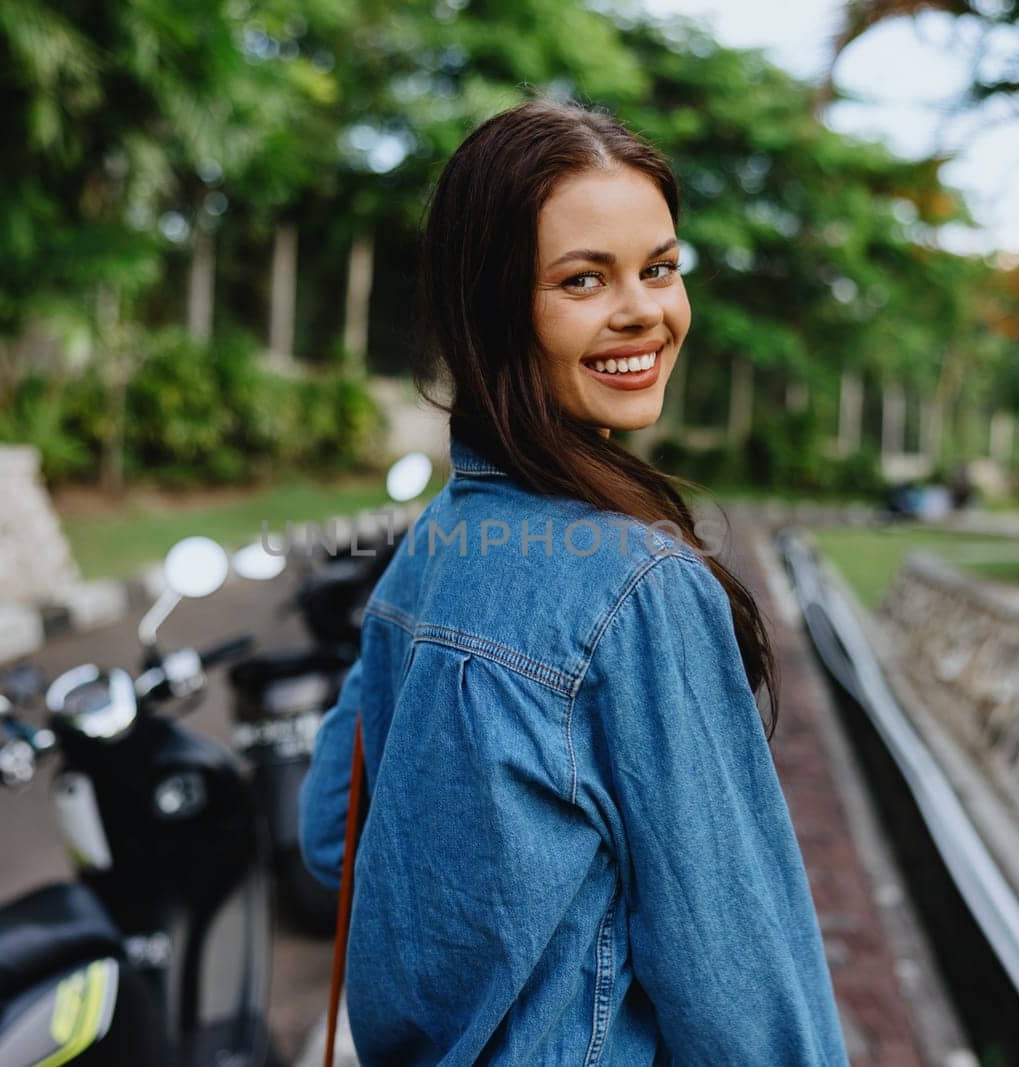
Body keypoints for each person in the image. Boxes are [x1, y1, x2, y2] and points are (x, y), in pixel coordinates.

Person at [299, 98, 849, 1065]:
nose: (642, 310)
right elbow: (740, 988)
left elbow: (331, 838)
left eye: (661, 268)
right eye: (583, 279)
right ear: (495, 306)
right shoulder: (639, 588)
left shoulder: (435, 545)